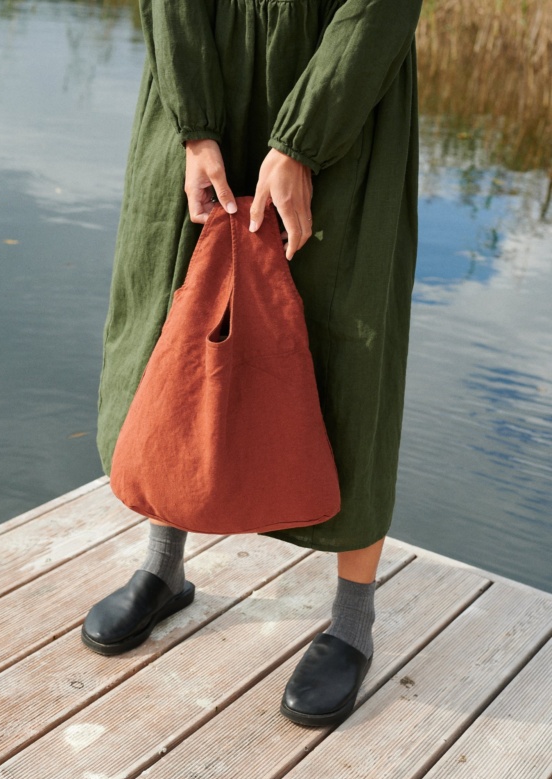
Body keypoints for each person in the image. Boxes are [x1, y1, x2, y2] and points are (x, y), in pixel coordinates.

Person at [82, 0, 424, 728]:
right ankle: (165, 564)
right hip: (199, 89)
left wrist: (303, 142)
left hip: (340, 86)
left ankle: (352, 623)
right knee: (174, 323)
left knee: (348, 345)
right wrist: (195, 123)